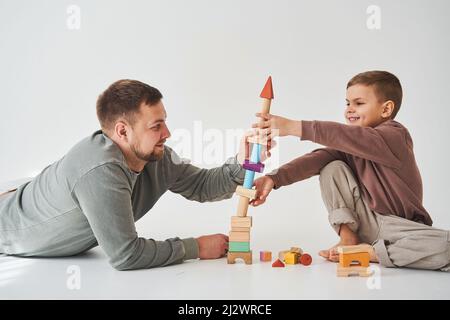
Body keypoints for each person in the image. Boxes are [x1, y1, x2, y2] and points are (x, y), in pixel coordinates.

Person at [0, 79, 267, 271]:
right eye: (156, 126)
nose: (167, 133)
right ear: (123, 132)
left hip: (29, 194)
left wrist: (243, 164)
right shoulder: (101, 171)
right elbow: (126, 255)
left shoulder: (154, 156)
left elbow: (202, 185)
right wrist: (195, 247)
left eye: (165, 122)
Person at [251, 71, 450, 271]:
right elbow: (316, 159)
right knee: (331, 167)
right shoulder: (349, 146)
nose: (349, 110)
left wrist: (294, 127)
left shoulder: (395, 136)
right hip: (367, 221)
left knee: (446, 246)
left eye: (359, 103)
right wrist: (273, 178)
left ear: (386, 109)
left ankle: (372, 253)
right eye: (347, 103)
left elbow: (348, 136)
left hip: (400, 229)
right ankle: (349, 238)